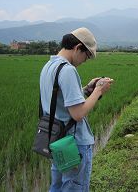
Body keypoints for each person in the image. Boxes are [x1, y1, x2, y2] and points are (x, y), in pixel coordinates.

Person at [39, 27, 114, 192]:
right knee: (73, 187)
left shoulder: (49, 66)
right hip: (74, 143)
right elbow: (78, 113)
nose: (84, 61)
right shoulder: (68, 70)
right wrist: (98, 90)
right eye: (86, 56)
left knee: (58, 186)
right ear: (78, 47)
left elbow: (60, 100)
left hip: (58, 141)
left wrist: (87, 89)